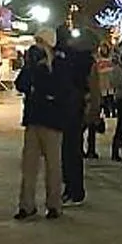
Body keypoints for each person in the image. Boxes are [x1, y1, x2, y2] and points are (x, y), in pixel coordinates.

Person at [14, 28, 75, 220]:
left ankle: (54, 204)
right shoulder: (33, 64)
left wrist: (46, 72)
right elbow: (21, 85)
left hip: (52, 120)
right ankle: (26, 205)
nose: (37, 45)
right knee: (29, 165)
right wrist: (30, 67)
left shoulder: (60, 64)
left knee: (53, 165)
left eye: (41, 41)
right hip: (33, 118)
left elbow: (63, 90)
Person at [54, 25, 95, 206]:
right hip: (75, 106)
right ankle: (73, 188)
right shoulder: (83, 58)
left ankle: (72, 189)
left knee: (68, 151)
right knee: (72, 150)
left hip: (66, 107)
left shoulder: (60, 58)